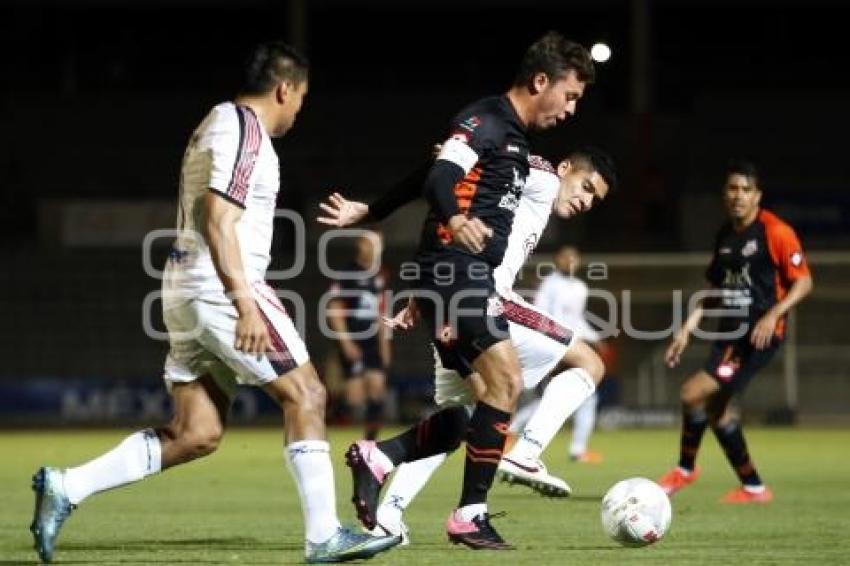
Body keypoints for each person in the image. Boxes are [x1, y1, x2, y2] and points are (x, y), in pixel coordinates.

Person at [29, 41, 399, 564]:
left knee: (196, 433)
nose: (299, 110)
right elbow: (219, 221)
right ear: (284, 88)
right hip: (220, 286)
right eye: (301, 98)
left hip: (184, 287)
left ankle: (66, 486)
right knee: (308, 394)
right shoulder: (247, 131)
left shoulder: (214, 121)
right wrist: (244, 302)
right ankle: (323, 536)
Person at [339, 31, 596, 550]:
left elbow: (430, 173)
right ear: (540, 81)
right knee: (507, 383)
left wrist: (372, 211)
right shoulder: (486, 119)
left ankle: (381, 457)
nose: (570, 110)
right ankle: (470, 514)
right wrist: (455, 218)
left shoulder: (514, 142)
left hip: (455, 275)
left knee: (478, 408)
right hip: (458, 271)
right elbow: (440, 178)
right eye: (568, 96)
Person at [319, 148, 615, 544]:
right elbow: (483, 166)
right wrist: (468, 151)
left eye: (594, 200)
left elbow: (463, 204)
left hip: (450, 293)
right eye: (585, 188)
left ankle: (388, 500)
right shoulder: (542, 174)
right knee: (589, 362)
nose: (585, 202)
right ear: (565, 169)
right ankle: (527, 452)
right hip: (486, 299)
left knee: (464, 418)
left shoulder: (522, 195)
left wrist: (425, 292)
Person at [658, 159, 813, 503]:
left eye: (746, 189)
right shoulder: (725, 236)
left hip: (756, 338)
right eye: (732, 188)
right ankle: (755, 487)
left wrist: (773, 315)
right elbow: (712, 290)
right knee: (717, 411)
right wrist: (686, 330)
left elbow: (803, 283)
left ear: (758, 195)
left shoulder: (776, 232)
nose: (738, 196)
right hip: (728, 335)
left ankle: (685, 470)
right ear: (724, 193)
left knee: (691, 393)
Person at [521, 244, 608, 464]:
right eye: (565, 257)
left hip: (573, 345)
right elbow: (539, 314)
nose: (570, 261)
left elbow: (577, 319)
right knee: (576, 393)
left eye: (574, 258)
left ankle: (577, 449)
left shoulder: (580, 287)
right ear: (557, 260)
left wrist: (596, 338)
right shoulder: (549, 285)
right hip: (554, 344)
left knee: (580, 395)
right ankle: (576, 449)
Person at [326, 229, 391, 440]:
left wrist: (385, 343)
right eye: (373, 243)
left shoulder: (380, 274)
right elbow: (334, 309)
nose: (377, 249)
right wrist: (345, 342)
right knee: (354, 399)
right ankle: (327, 415)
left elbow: (382, 311)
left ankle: (370, 444)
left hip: (372, 340)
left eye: (380, 244)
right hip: (353, 338)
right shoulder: (347, 274)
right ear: (361, 244)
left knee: (377, 388)